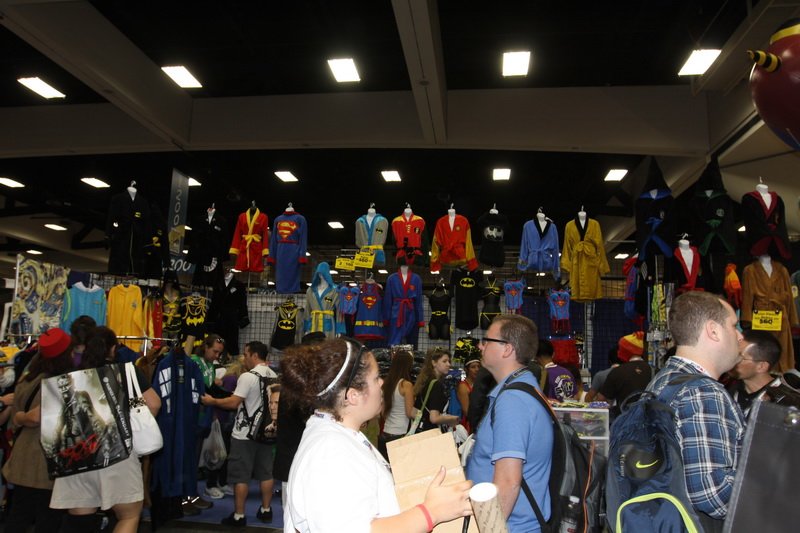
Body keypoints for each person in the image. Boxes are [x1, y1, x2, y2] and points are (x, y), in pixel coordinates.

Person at [282, 337, 473, 532]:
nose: (382, 383)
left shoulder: (339, 435)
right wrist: (431, 512)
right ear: (353, 396)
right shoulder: (332, 452)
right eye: (375, 378)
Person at [647, 291, 745, 531]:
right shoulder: (703, 392)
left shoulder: (664, 380)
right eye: (734, 326)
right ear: (713, 331)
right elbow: (711, 493)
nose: (740, 335)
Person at [50, 326, 161, 533]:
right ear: (113, 349)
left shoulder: (71, 375)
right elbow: (153, 403)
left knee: (80, 521)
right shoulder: (126, 373)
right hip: (117, 452)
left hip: (77, 455)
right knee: (129, 515)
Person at [466, 315, 554, 532]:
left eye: (487, 341)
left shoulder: (513, 401)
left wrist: (489, 529)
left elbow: (508, 482)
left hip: (511, 526)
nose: (480, 346)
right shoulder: (523, 389)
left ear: (507, 349)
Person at [201, 341, 278, 527]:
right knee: (266, 474)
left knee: (241, 476)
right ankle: (266, 510)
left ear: (254, 355)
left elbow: (234, 403)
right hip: (267, 432)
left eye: (246, 354)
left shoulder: (248, 377)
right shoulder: (274, 375)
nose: (244, 358)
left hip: (244, 434)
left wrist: (213, 401)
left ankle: (239, 515)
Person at [3, 328, 73, 532]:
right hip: (45, 460)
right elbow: (37, 417)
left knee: (18, 515)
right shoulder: (60, 382)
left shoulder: (27, 379)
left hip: (22, 455)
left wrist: (19, 417)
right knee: (47, 519)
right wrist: (24, 417)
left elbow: (15, 417)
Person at [728, 329, 800, 419]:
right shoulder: (728, 390)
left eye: (739, 357)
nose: (731, 360)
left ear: (761, 366)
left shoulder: (788, 404)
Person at [597, 331, 652, 417]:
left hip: (624, 420)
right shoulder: (652, 370)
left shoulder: (617, 372)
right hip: (649, 419)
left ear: (627, 350)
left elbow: (601, 400)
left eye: (620, 349)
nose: (618, 352)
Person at [378, 349, 416, 459]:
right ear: (408, 366)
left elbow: (383, 413)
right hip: (400, 435)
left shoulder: (386, 384)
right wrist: (420, 413)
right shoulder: (406, 385)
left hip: (385, 433)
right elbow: (409, 412)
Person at [412, 347, 460, 433]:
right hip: (431, 433)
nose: (448, 364)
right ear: (434, 363)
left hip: (421, 432)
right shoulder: (436, 385)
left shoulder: (424, 381)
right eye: (444, 361)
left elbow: (413, 412)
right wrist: (452, 418)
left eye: (449, 361)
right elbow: (434, 418)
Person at [457, 353, 481, 433]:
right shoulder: (463, 387)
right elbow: (467, 412)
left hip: (478, 423)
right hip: (468, 426)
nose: (477, 369)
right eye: (473, 367)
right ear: (466, 369)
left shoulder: (479, 385)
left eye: (478, 366)